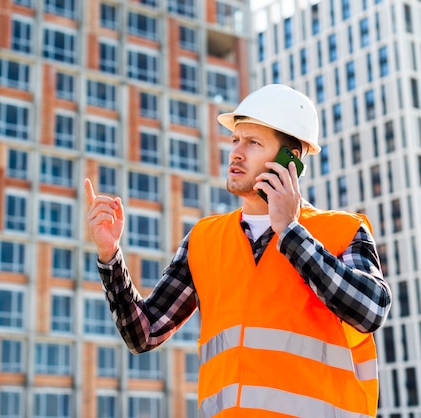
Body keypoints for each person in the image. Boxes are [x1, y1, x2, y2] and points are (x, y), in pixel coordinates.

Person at [85, 84, 392, 417]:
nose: (236, 153)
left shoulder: (342, 230)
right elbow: (143, 334)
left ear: (292, 160)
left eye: (253, 142)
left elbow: (370, 311)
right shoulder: (204, 238)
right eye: (235, 140)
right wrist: (110, 256)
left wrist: (290, 231)